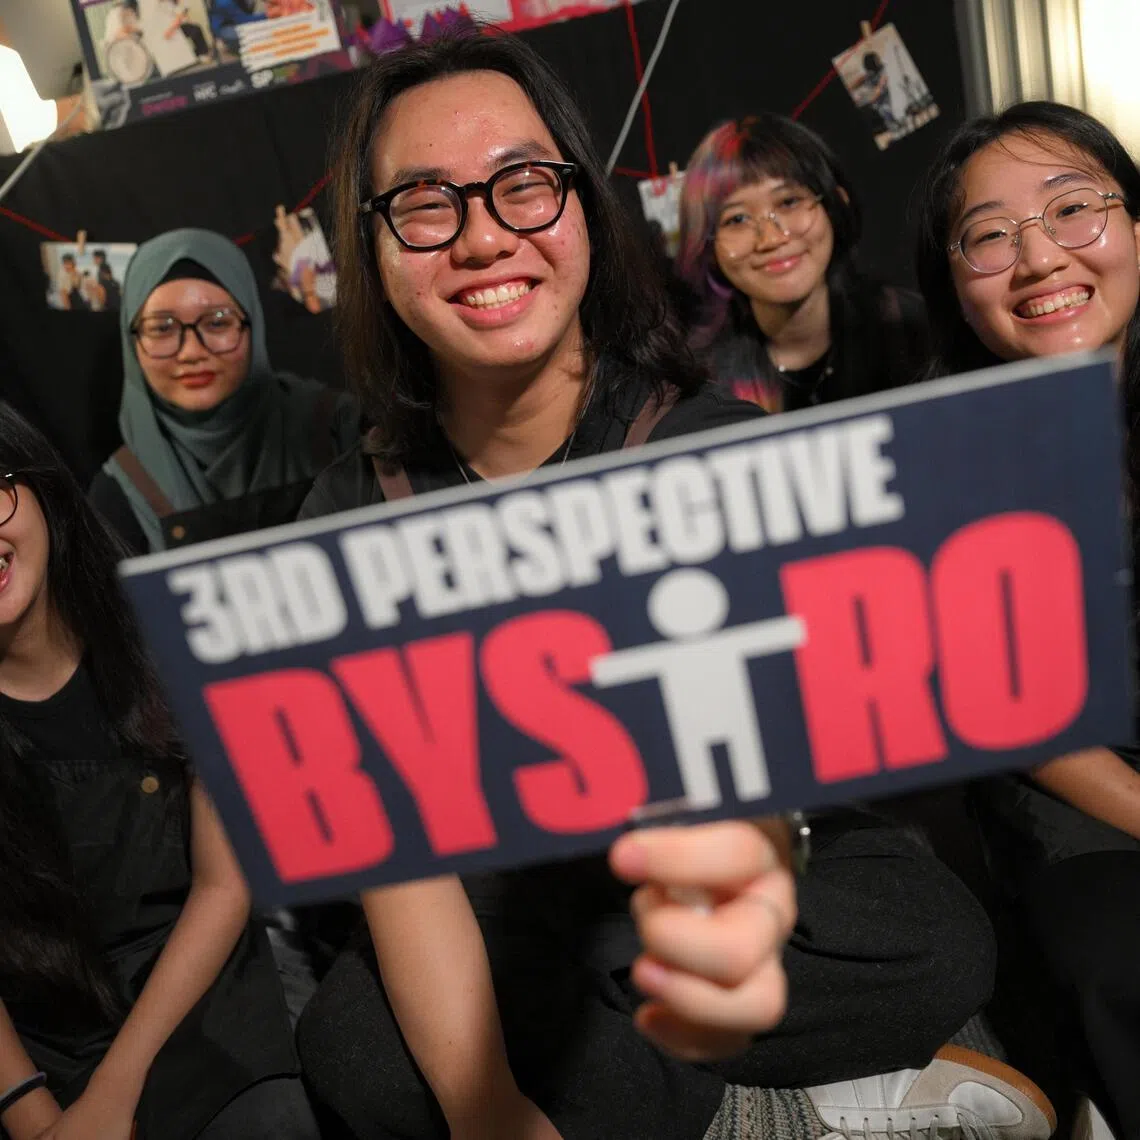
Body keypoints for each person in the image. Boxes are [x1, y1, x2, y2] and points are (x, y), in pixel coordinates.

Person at [292, 30, 1052, 1140]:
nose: (482, 236)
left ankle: (645, 1088)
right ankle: (760, 1112)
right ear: (372, 245)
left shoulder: (698, 445)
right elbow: (399, 869)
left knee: (928, 936)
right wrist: (487, 1105)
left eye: (521, 185)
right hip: (487, 898)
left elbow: (764, 800)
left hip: (686, 870)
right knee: (357, 1044)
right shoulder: (347, 517)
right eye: (423, 202)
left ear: (583, 206)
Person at [0, 402, 320, 1140]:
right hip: (38, 1034)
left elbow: (224, 883)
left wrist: (116, 1089)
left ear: (41, 488)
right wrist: (34, 1113)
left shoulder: (167, 633)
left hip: (201, 997)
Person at [915, 99, 1140, 1140]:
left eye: (1072, 208)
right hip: (1082, 806)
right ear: (958, 289)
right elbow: (1021, 713)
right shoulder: (950, 463)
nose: (1040, 255)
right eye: (991, 235)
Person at [89, 228, 358, 555]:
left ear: (252, 323)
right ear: (132, 343)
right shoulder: (121, 493)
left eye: (217, 322)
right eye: (162, 328)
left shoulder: (340, 429)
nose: (191, 352)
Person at [674, 114, 929, 413]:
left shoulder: (914, 331)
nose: (769, 239)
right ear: (707, 245)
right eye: (737, 219)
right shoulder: (695, 384)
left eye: (788, 202)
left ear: (835, 204)